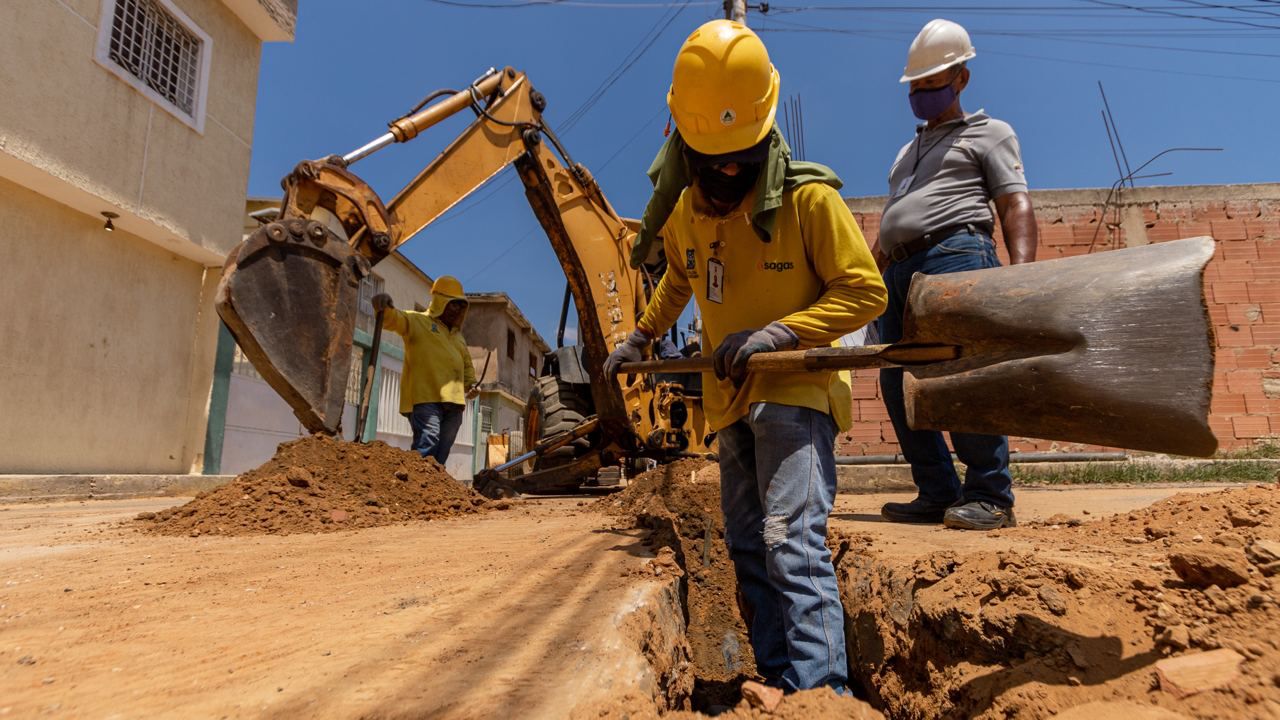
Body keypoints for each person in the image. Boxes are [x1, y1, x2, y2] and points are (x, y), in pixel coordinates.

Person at [605, 20, 887, 701]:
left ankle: (825, 698)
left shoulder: (808, 199)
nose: (726, 174)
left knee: (793, 543)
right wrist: (643, 338)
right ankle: (777, 676)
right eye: (712, 163)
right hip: (727, 401)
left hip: (794, 396)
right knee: (748, 550)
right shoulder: (686, 216)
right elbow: (678, 277)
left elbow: (864, 291)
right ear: (687, 149)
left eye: (740, 161)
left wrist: (780, 335)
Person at [874, 19, 1038, 531]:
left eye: (932, 85)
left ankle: (991, 495)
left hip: (955, 256)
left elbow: (1015, 203)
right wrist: (872, 275)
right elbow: (896, 216)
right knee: (896, 379)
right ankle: (937, 491)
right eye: (916, 88)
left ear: (961, 79)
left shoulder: (989, 133)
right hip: (900, 270)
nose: (922, 96)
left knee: (960, 373)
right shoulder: (906, 152)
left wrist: (1019, 277)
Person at [371, 276, 477, 464]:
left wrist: (472, 384)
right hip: (426, 398)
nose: (458, 310)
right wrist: (385, 309)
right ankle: (412, 484)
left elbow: (467, 365)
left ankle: (432, 487)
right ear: (440, 301)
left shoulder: (458, 337)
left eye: (461, 306)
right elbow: (395, 319)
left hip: (454, 403)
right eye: (454, 304)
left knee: (443, 449)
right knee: (428, 439)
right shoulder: (418, 321)